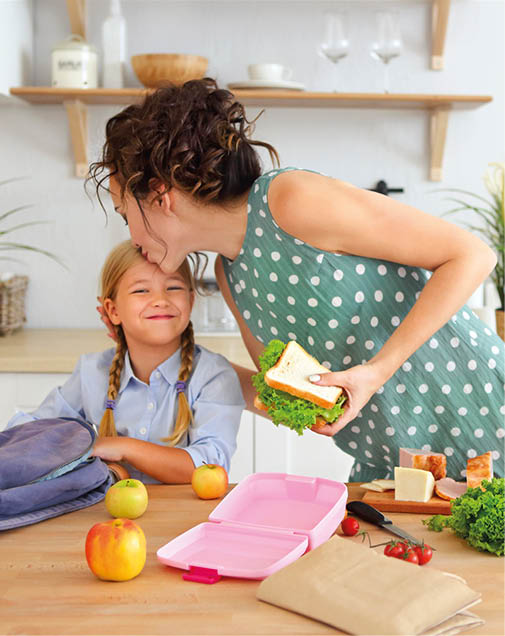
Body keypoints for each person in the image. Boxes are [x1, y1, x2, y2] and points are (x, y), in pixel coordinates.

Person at [89, 78, 504, 482]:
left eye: (127, 215)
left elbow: (471, 255)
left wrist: (375, 371)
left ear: (161, 195)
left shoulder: (287, 199)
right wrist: (165, 356)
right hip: (395, 468)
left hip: (484, 416)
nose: (132, 237)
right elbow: (279, 397)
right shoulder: (230, 276)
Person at [7, 240, 244, 484]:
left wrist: (121, 448)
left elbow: (209, 466)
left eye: (173, 287)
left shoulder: (213, 375)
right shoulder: (92, 371)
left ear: (191, 302)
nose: (160, 300)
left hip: (187, 519)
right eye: (141, 291)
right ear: (113, 311)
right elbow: (29, 430)